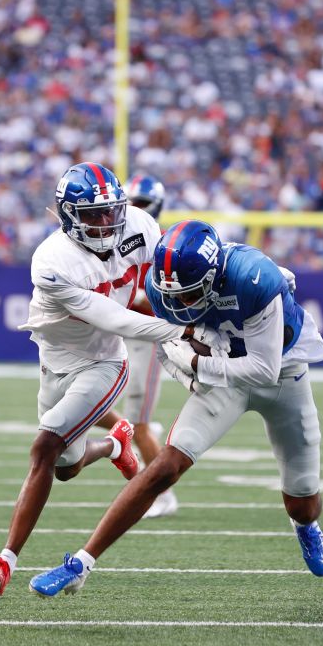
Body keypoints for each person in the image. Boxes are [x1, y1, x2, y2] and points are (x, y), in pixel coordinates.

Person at [29, 220, 323, 597]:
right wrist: (189, 375)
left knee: (303, 504)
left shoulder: (255, 279)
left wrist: (198, 365)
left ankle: (306, 527)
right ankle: (81, 563)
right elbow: (167, 348)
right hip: (224, 380)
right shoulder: (164, 285)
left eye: (190, 294)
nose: (180, 303)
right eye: (175, 293)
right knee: (164, 468)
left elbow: (263, 369)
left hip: (283, 376)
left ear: (214, 276)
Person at [0, 162, 193, 602]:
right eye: (92, 215)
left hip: (103, 363)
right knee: (66, 467)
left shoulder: (140, 226)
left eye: (110, 211)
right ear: (69, 216)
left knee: (43, 447)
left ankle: (5, 561)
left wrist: (192, 321)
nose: (106, 221)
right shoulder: (53, 262)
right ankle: (115, 443)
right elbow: (111, 314)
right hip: (55, 362)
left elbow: (163, 281)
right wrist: (177, 330)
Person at [119, 174, 179, 519]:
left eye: (140, 204)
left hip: (146, 339)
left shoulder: (161, 243)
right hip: (121, 338)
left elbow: (164, 302)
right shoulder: (118, 238)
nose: (134, 210)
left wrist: (134, 296)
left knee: (137, 425)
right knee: (101, 410)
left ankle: (164, 494)